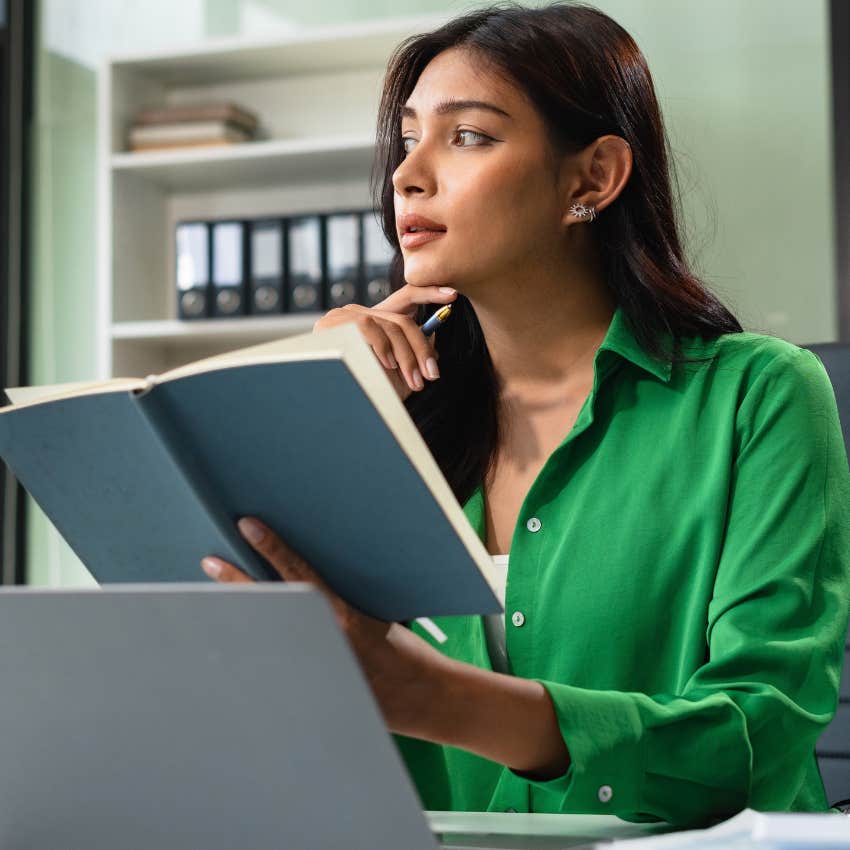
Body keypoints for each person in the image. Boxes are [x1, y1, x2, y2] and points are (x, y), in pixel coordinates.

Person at [200, 1, 850, 828]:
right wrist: (309, 410)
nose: (408, 174)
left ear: (593, 178)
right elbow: (260, 700)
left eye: (468, 136)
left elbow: (760, 737)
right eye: (408, 138)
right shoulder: (391, 414)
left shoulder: (759, 395)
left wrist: (435, 698)